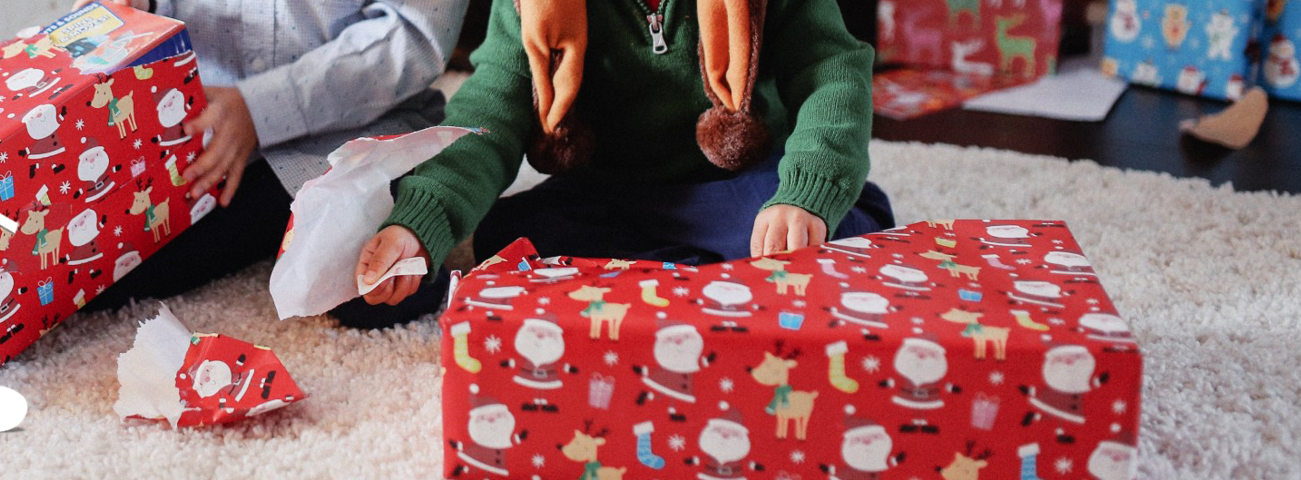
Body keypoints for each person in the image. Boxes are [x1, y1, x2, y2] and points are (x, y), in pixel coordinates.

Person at [342, 0, 895, 326]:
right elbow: (490, 111)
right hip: (610, 191)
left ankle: (686, 273)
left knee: (830, 228)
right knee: (511, 237)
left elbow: (832, 71)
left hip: (743, 187)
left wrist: (807, 191)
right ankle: (698, 280)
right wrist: (425, 217)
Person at [73, 0, 467, 312]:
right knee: (94, 274)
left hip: (358, 129)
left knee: (376, 293)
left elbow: (413, 39)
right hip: (208, 122)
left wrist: (260, 108)